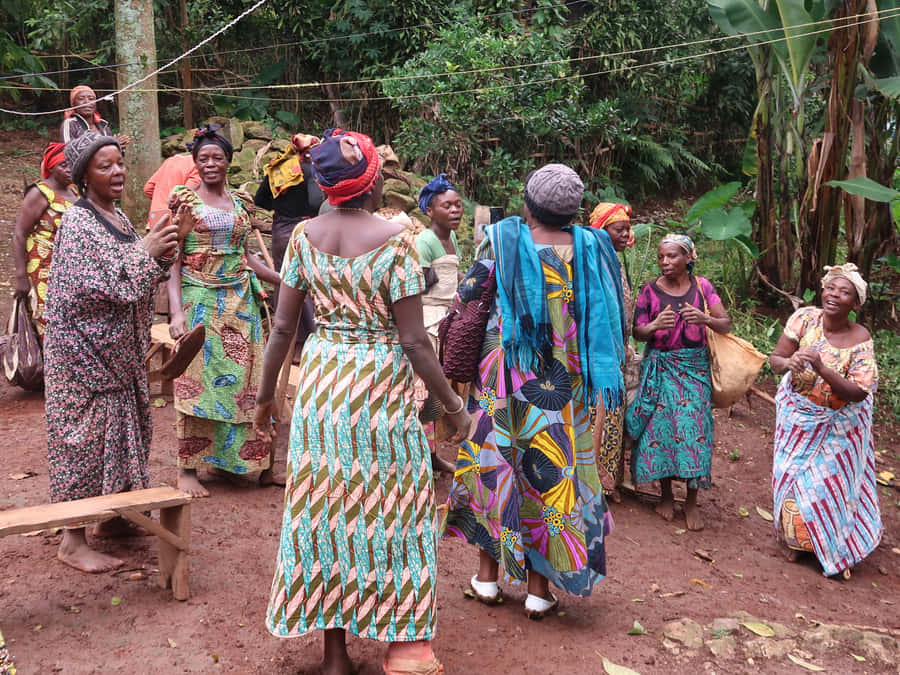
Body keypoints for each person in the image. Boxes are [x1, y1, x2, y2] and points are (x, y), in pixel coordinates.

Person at [253, 128, 470, 675]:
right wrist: (452, 406)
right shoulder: (396, 242)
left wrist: (264, 398)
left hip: (323, 386)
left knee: (328, 512)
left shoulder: (303, 237)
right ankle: (404, 642)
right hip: (380, 390)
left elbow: (282, 328)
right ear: (373, 183)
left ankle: (335, 656)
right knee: (393, 509)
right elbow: (414, 341)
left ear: (324, 185)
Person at [443, 164, 626, 619]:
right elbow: (611, 314)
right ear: (573, 212)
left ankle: (487, 578)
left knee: (496, 465)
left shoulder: (503, 244)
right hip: (562, 383)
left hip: (503, 379)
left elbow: (466, 299)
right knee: (550, 471)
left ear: (528, 204)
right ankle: (539, 590)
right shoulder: (592, 249)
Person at [44, 133, 180, 573]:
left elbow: (137, 273)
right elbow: (100, 287)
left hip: (117, 358)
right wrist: (147, 252)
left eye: (119, 162)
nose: (118, 171)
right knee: (81, 444)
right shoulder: (78, 223)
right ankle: (72, 541)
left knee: (125, 435)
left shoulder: (117, 217)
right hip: (83, 359)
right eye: (105, 166)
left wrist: (166, 245)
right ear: (84, 175)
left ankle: (115, 516)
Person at [167, 124, 281, 498]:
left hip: (240, 304)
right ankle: (187, 469)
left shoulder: (240, 203)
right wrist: (176, 313)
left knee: (246, 383)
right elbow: (173, 260)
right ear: (195, 163)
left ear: (229, 161)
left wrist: (283, 280)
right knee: (195, 384)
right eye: (203, 158)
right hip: (199, 300)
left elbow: (246, 257)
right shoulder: (185, 201)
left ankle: (236, 463)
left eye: (217, 157)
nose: (210, 164)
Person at [769, 263, 880, 578]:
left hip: (839, 429)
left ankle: (826, 546)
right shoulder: (804, 319)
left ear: (855, 303)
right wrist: (790, 362)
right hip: (798, 420)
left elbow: (857, 393)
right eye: (831, 288)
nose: (834, 295)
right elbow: (776, 359)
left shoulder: (860, 338)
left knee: (827, 487)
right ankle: (796, 542)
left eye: (844, 292)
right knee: (793, 481)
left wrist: (821, 368)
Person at [625, 234, 731, 531]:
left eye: (672, 256)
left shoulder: (703, 288)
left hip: (694, 370)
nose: (665, 262)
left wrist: (704, 319)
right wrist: (654, 325)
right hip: (660, 369)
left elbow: (726, 324)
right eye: (661, 257)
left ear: (688, 258)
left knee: (695, 432)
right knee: (660, 430)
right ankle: (666, 495)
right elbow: (637, 332)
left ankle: (692, 501)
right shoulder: (649, 291)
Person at [415, 173, 464, 473]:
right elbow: (417, 284)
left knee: (439, 387)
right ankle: (421, 457)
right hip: (428, 321)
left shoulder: (451, 237)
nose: (456, 210)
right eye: (447, 206)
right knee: (425, 390)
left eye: (458, 205)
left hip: (447, 317)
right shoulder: (425, 241)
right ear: (430, 211)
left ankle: (432, 455)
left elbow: (451, 274)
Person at [588, 202, 636, 501]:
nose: (626, 235)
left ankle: (607, 482)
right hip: (596, 353)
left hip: (615, 353)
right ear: (601, 229)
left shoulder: (613, 261)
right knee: (596, 416)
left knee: (612, 416)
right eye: (619, 229)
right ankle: (590, 483)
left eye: (628, 229)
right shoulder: (592, 261)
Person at [12, 142, 78, 341]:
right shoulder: (39, 193)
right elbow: (19, 233)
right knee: (46, 320)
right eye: (63, 165)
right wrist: (21, 276)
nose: (69, 169)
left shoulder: (76, 192)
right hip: (43, 268)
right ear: (51, 167)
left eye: (72, 163)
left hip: (69, 269)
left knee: (67, 321)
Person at [144, 152, 200, 229]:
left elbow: (148, 188)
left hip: (154, 217)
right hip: (174, 220)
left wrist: (160, 199)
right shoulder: (197, 165)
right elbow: (186, 196)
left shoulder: (169, 161)